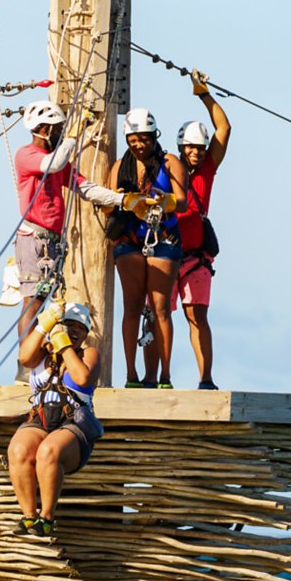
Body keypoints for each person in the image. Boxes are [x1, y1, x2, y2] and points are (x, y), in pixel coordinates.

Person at [10, 99, 146, 348]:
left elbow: (87, 188)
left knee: (43, 298)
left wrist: (124, 200)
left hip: (49, 241)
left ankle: (33, 355)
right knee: (33, 299)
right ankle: (25, 360)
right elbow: (54, 164)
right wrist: (76, 132)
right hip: (33, 239)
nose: (61, 133)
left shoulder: (56, 162)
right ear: (44, 129)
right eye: (58, 128)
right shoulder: (27, 155)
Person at [6, 299, 102, 539]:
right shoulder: (42, 354)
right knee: (18, 450)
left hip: (73, 423)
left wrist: (64, 345)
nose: (75, 331)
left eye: (80, 327)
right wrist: (44, 326)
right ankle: (29, 516)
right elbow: (25, 358)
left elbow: (81, 378)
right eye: (69, 325)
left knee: (48, 452)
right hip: (41, 417)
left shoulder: (88, 354)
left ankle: (47, 518)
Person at [108, 107, 186, 388]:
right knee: (132, 306)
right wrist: (125, 200)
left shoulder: (169, 163)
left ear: (154, 137)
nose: (139, 145)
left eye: (144, 139)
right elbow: (107, 205)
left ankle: (164, 375)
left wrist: (163, 202)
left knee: (160, 307)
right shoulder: (120, 167)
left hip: (163, 237)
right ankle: (131, 374)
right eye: (134, 140)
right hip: (130, 239)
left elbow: (182, 200)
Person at [171, 73, 231, 389]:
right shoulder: (167, 169)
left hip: (195, 258)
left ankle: (206, 378)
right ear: (181, 147)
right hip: (168, 253)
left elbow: (225, 129)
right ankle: (159, 378)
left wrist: (203, 94)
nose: (195, 152)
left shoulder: (206, 169)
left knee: (197, 317)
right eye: (190, 147)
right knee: (157, 316)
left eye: (199, 148)